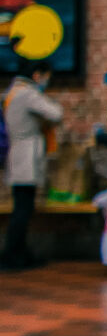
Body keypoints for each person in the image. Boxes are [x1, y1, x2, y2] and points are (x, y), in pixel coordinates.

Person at [3, 60, 59, 270]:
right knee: (23, 210)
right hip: (26, 157)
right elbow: (56, 113)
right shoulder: (27, 94)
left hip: (17, 155)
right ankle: (13, 255)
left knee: (22, 208)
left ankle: (18, 252)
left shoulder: (12, 91)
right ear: (37, 75)